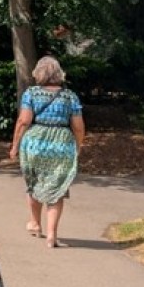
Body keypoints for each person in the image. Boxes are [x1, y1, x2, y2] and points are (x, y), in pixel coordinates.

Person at [8, 55, 86, 248]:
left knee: (34, 183)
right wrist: (78, 145)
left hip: (35, 142)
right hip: (61, 144)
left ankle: (35, 223)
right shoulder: (70, 96)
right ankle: (52, 235)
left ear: (39, 73)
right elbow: (78, 126)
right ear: (59, 74)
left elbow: (24, 121)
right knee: (57, 189)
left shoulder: (31, 94)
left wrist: (15, 145)